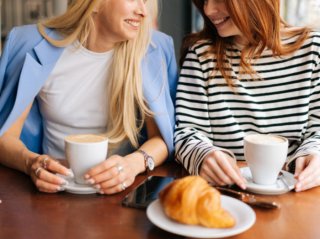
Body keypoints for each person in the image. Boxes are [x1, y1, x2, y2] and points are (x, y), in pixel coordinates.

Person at [0, 0, 177, 194]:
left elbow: (162, 138)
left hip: (123, 191)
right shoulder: (30, 44)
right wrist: (31, 163)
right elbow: (5, 137)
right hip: (52, 191)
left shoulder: (154, 48)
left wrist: (132, 165)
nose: (143, 11)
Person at [175, 0, 320, 192]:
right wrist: (202, 155)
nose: (208, 10)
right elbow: (187, 132)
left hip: (297, 193)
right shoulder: (201, 57)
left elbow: (317, 131)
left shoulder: (312, 50)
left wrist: (314, 154)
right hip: (227, 194)